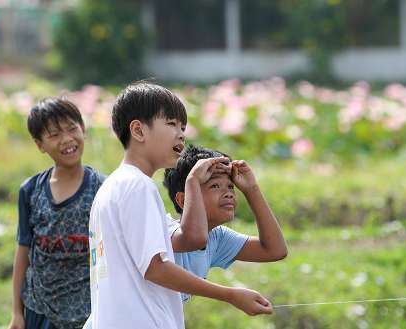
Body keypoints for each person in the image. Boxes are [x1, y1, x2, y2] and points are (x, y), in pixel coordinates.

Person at [87, 82, 272, 329]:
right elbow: (155, 268)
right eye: (171, 124)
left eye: (183, 127)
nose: (181, 134)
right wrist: (230, 295)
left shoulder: (110, 189)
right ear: (139, 131)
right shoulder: (139, 186)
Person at [9, 98, 105, 329]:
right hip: (39, 310)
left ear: (83, 128)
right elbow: (23, 252)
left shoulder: (103, 189)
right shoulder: (31, 190)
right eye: (54, 135)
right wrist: (16, 313)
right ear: (39, 144)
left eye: (72, 128)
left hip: (89, 312)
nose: (67, 140)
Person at [163, 144, 288, 302]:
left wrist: (251, 189)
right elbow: (193, 239)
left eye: (230, 186)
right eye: (215, 186)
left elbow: (274, 250)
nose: (228, 193)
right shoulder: (164, 230)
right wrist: (193, 179)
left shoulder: (216, 237)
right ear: (183, 200)